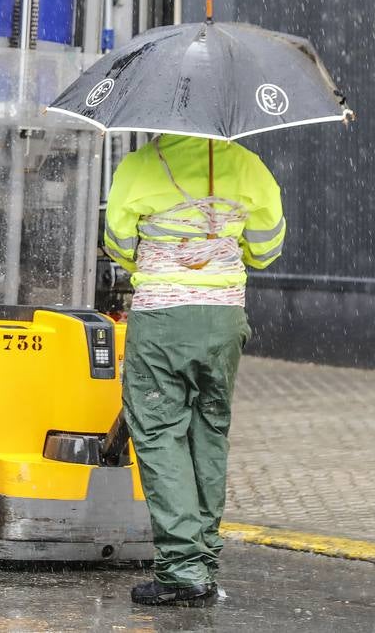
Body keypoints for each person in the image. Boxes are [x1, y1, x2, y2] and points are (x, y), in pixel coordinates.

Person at [104, 133, 285, 607]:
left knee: (160, 433)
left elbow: (119, 245)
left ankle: (182, 568)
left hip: (161, 317)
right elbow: (265, 250)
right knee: (209, 431)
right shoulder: (250, 167)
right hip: (223, 319)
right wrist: (218, 245)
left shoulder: (139, 166)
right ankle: (202, 562)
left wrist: (165, 255)